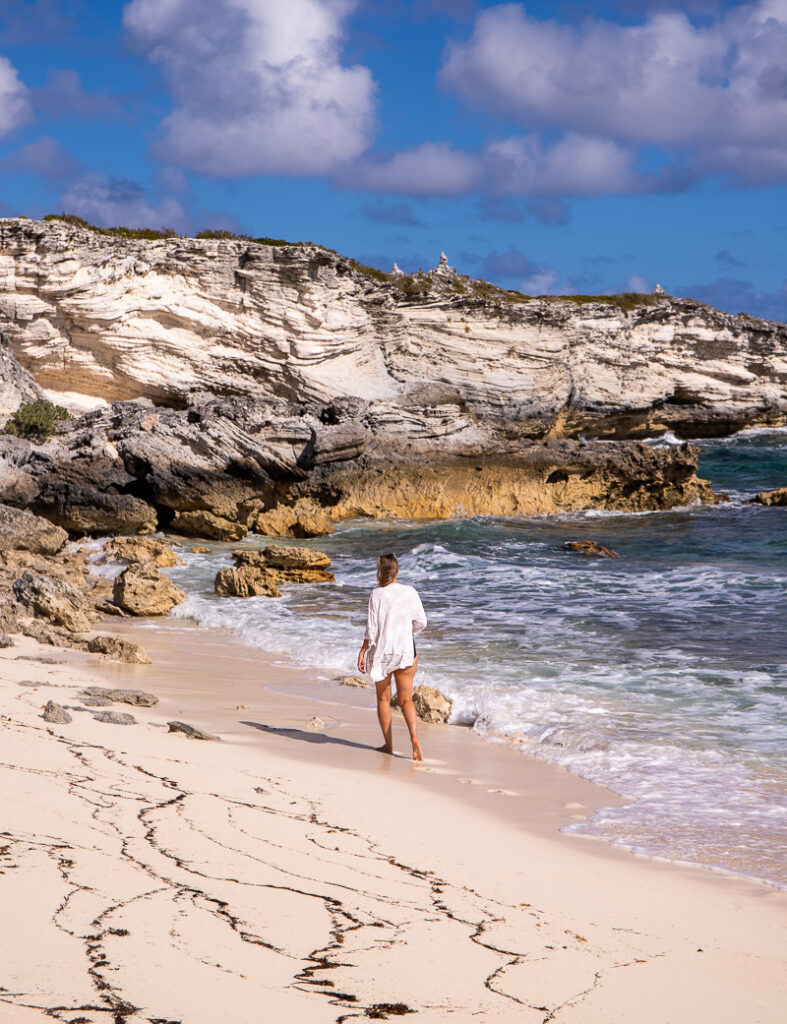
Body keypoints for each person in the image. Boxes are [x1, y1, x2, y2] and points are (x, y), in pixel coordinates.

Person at [357, 553, 427, 761]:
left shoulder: (377, 594)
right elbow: (421, 622)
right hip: (406, 650)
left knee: (383, 699)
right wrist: (406, 634)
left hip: (383, 652)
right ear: (397, 570)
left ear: (380, 571)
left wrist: (363, 650)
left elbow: (371, 628)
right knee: (406, 700)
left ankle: (388, 745)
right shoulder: (410, 592)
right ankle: (414, 738)